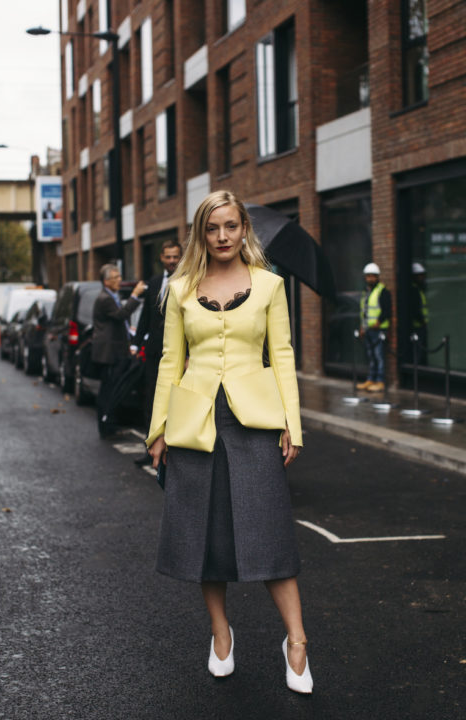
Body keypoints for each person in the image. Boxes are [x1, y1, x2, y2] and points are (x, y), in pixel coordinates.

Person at [147, 190, 313, 694]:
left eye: (231, 226)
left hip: (255, 421)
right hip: (195, 421)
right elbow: (170, 362)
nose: (222, 236)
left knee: (269, 530)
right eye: (212, 228)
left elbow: (281, 355)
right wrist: (157, 431)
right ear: (202, 233)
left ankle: (297, 641)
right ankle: (221, 632)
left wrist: (293, 424)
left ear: (245, 230)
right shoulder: (179, 288)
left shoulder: (269, 286)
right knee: (204, 534)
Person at [132, 240, 182, 467]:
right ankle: (150, 448)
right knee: (151, 399)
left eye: (175, 257)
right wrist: (135, 343)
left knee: (178, 401)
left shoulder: (188, 280)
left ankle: (176, 449)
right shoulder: (153, 282)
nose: (172, 261)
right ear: (161, 258)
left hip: (181, 352)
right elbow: (145, 317)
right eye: (168, 257)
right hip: (154, 351)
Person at [91, 264, 145, 437]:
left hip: (114, 350)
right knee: (108, 390)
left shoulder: (111, 296)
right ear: (106, 281)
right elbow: (121, 314)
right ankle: (106, 426)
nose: (119, 280)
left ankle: (109, 423)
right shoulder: (105, 299)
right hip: (109, 353)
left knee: (113, 388)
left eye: (119, 277)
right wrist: (135, 295)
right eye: (116, 278)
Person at [356, 262, 392, 392]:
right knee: (371, 356)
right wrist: (362, 327)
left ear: (377, 277)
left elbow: (387, 310)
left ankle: (380, 381)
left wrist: (379, 321)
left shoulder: (383, 291)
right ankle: (370, 379)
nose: (370, 278)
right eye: (368, 276)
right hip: (368, 330)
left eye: (373, 276)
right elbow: (364, 312)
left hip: (378, 330)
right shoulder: (366, 292)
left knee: (379, 356)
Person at [411, 262, 428, 366]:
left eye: (423, 275)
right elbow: (415, 310)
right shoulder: (414, 290)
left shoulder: (419, 289)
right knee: (418, 352)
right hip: (417, 327)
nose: (422, 277)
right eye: (419, 275)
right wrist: (422, 322)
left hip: (420, 326)